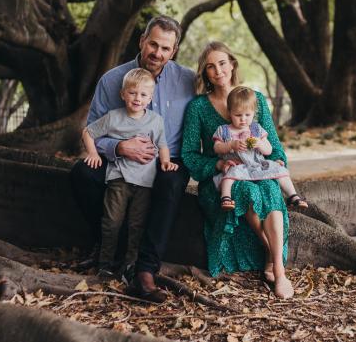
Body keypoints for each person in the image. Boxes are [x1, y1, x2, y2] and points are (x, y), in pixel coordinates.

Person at [70, 15, 195, 303]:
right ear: (142, 41)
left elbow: (215, 106)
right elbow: (94, 132)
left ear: (173, 51)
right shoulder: (113, 80)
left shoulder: (188, 80)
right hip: (119, 161)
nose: (157, 53)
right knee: (82, 175)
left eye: (165, 48)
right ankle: (111, 246)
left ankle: (145, 270)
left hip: (167, 159)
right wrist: (120, 147)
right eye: (153, 44)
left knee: (172, 183)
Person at [181, 41, 295, 299]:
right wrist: (217, 164)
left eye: (222, 63)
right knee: (245, 191)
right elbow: (189, 153)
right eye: (210, 67)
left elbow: (274, 147)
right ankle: (273, 253)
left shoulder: (255, 100)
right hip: (222, 181)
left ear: (232, 64)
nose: (217, 70)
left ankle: (278, 269)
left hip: (258, 170)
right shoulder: (198, 108)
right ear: (205, 73)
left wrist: (276, 162)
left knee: (268, 187)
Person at [81, 68, 179, 277]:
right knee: (112, 222)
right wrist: (93, 154)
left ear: (150, 98)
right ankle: (105, 265)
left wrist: (166, 162)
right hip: (119, 180)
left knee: (137, 224)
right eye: (133, 93)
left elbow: (162, 145)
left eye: (143, 95)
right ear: (123, 94)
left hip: (145, 182)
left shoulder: (155, 120)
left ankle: (130, 265)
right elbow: (88, 132)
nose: (137, 98)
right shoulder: (114, 117)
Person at [213, 86, 308, 212]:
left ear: (253, 113)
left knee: (279, 170)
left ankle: (293, 196)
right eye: (238, 115)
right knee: (229, 176)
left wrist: (259, 144)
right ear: (230, 112)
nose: (243, 119)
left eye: (247, 115)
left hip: (258, 164)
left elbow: (268, 150)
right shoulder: (224, 130)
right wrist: (230, 145)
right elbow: (216, 147)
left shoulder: (256, 129)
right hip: (237, 165)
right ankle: (226, 198)